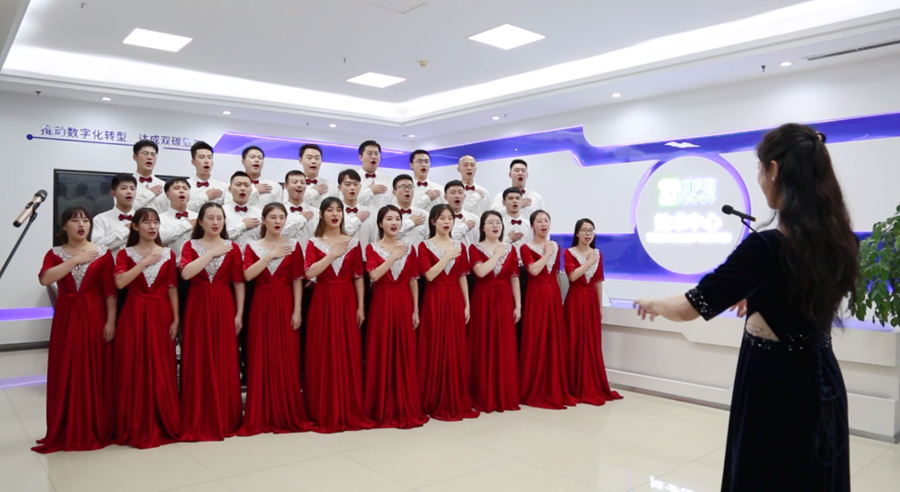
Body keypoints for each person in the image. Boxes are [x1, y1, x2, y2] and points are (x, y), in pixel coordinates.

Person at [633, 124, 858, 492]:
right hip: (822, 378)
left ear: (774, 170)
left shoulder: (767, 247)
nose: (759, 178)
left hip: (774, 385)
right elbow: (798, 294)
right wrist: (759, 294)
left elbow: (693, 306)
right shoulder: (841, 241)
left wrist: (653, 302)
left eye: (759, 168)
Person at [33, 206, 116, 453]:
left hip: (95, 314)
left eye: (85, 220)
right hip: (67, 316)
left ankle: (96, 425)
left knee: (94, 367)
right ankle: (66, 426)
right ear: (64, 226)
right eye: (74, 220)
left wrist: (110, 321)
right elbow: (45, 279)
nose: (81, 225)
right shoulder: (54, 253)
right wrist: (75, 260)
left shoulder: (103, 253)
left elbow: (109, 292)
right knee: (66, 366)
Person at [239, 203, 314, 435]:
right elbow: (247, 275)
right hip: (261, 303)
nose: (278, 221)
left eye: (282, 217)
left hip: (285, 302)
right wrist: (270, 255)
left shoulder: (293, 245)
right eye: (273, 217)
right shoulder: (252, 246)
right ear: (263, 220)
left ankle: (286, 409)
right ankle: (262, 412)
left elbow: (297, 279)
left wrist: (297, 309)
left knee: (287, 354)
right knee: (260, 354)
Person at [303, 197, 373, 432]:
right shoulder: (314, 242)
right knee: (323, 349)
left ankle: (348, 404)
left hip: (346, 298)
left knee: (347, 349)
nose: (335, 214)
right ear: (322, 214)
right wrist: (332, 254)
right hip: (323, 298)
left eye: (338, 210)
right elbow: (309, 272)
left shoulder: (353, 242)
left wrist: (360, 306)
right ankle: (323, 407)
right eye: (330, 210)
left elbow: (358, 276)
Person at [113, 208, 181, 448]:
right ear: (135, 226)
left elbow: (172, 288)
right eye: (146, 222)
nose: (152, 227)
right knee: (134, 364)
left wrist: (176, 318)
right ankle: (134, 422)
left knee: (161, 365)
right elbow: (120, 282)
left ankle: (162, 419)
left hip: (161, 312)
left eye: (156, 222)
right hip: (134, 312)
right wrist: (143, 263)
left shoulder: (168, 254)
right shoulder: (125, 253)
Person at [179, 202, 245, 441]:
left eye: (220, 218)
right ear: (200, 221)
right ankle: (199, 415)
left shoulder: (232, 247)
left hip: (224, 303)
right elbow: (186, 273)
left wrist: (239, 313)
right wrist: (211, 253)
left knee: (224, 356)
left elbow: (238, 282)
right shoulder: (190, 245)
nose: (216, 222)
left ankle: (225, 416)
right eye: (211, 218)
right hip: (198, 304)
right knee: (198, 356)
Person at [364, 205, 428, 429]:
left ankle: (404, 402)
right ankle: (381, 404)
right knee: (382, 349)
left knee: (404, 350)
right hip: (382, 301)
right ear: (380, 223)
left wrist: (415, 309)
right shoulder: (372, 248)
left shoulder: (409, 249)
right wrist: (392, 257)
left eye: (397, 219)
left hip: (404, 301)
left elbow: (413, 280)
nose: (394, 223)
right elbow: (374, 275)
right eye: (389, 219)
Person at [417, 204, 479, 421]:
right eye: (441, 218)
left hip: (454, 298)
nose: (446, 222)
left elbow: (462, 275)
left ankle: (455, 395)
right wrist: (447, 256)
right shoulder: (424, 246)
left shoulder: (459, 245)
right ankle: (433, 396)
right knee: (435, 343)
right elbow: (429, 275)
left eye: (449, 218)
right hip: (434, 298)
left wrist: (467, 303)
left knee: (454, 345)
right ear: (433, 221)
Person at [519, 210, 576, 409]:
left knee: (553, 338)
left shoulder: (556, 246)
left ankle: (554, 384)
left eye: (546, 220)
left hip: (552, 294)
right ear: (532, 225)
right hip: (536, 295)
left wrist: (559, 299)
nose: (543, 224)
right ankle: (534, 386)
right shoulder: (525, 247)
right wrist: (547, 254)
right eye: (539, 221)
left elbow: (557, 275)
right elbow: (533, 270)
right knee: (536, 337)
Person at [564, 218, 622, 406]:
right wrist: (589, 262)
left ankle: (591, 383)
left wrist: (599, 307)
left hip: (590, 302)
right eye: (584, 230)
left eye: (591, 230)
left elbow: (598, 282)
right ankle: (573, 386)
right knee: (573, 341)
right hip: (575, 300)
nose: (588, 234)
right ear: (577, 233)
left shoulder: (597, 253)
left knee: (591, 342)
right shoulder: (569, 252)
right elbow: (573, 276)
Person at [468, 211, 521, 413]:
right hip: (483, 298)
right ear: (483, 227)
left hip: (504, 298)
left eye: (498, 222)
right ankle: (482, 393)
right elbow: (480, 272)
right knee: (483, 342)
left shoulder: (511, 249)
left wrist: (518, 305)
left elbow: (514, 277)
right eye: (490, 222)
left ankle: (503, 392)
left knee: (504, 343)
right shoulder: (474, 248)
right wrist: (498, 254)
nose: (495, 225)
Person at [92, 174, 137, 257]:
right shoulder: (100, 219)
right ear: (113, 193)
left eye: (132, 188)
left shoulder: (143, 219)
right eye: (123, 188)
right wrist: (125, 230)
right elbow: (97, 248)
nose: (129, 192)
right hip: (110, 265)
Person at [337, 169, 377, 256]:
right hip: (339, 260)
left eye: (355, 184)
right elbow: (335, 238)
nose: (352, 188)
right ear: (339, 188)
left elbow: (375, 241)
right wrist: (357, 220)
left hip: (365, 260)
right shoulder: (334, 213)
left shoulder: (371, 213)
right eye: (348, 184)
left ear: (360, 187)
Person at [282, 170, 319, 252]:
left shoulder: (316, 213)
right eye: (295, 182)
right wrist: (300, 219)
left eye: (302, 182)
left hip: (309, 258)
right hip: (285, 257)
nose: (299, 185)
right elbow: (280, 236)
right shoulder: (279, 212)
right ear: (286, 186)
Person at [225, 171, 263, 250]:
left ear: (251, 189)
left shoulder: (260, 214)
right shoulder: (221, 212)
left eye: (246, 185)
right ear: (230, 189)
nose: (242, 188)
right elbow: (219, 238)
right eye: (238, 185)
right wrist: (243, 226)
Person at [186, 141, 228, 212]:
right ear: (193, 162)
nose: (206, 161)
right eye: (201, 157)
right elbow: (180, 209)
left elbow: (227, 211)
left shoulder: (223, 187)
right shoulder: (185, 186)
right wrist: (205, 197)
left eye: (209, 157)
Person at [132, 139, 169, 213]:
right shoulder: (125, 184)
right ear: (135, 157)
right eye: (145, 153)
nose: (149, 157)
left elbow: (169, 212)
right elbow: (123, 209)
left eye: (153, 154)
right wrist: (149, 194)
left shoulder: (164, 186)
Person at [391, 174, 428, 247]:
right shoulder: (388, 214)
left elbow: (430, 240)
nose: (407, 190)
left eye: (410, 187)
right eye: (403, 187)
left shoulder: (424, 215)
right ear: (394, 192)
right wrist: (411, 222)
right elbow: (388, 237)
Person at [356, 140, 393, 211]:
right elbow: (348, 202)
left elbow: (393, 203)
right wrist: (370, 191)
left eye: (376, 154)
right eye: (369, 154)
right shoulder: (352, 179)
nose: (373, 157)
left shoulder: (388, 180)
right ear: (360, 157)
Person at [299, 143, 337, 209]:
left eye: (317, 158)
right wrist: (314, 192)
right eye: (309, 158)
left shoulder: (331, 186)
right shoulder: (293, 186)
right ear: (300, 160)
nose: (314, 161)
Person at [499, 187, 533, 260]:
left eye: (517, 198)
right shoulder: (498, 225)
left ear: (521, 201)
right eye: (511, 198)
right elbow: (493, 247)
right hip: (503, 263)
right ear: (504, 202)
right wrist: (508, 239)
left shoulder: (529, 225)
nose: (515, 201)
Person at [445, 180, 480, 246]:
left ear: (464, 196)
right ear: (446, 197)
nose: (457, 196)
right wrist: (463, 227)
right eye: (453, 193)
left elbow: (477, 243)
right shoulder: (441, 220)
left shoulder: (475, 219)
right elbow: (443, 241)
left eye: (460, 192)